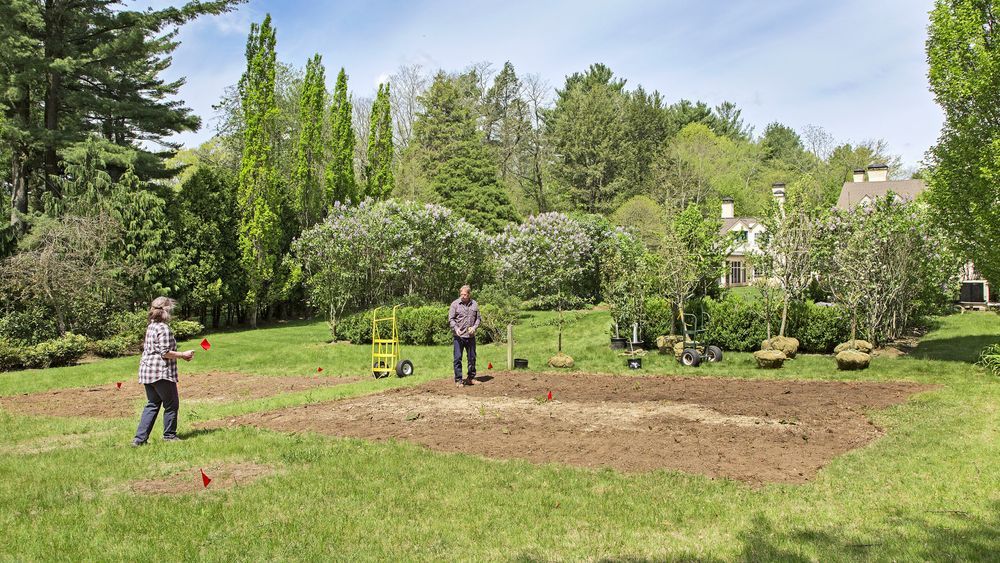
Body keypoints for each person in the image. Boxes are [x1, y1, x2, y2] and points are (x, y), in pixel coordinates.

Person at [132, 297, 194, 446]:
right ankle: (169, 436)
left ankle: (139, 440)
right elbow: (165, 352)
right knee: (172, 404)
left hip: (147, 371)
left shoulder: (151, 326)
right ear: (167, 310)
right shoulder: (163, 328)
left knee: (153, 403)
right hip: (160, 373)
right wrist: (183, 355)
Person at [449, 285, 481, 387]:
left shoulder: (474, 304)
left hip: (470, 336)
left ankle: (470, 378)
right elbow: (451, 319)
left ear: (469, 294)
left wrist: (474, 327)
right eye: (461, 294)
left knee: (472, 358)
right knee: (457, 358)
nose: (463, 296)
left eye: (465, 295)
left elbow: (478, 319)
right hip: (458, 337)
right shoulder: (455, 304)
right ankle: (458, 380)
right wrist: (456, 328)